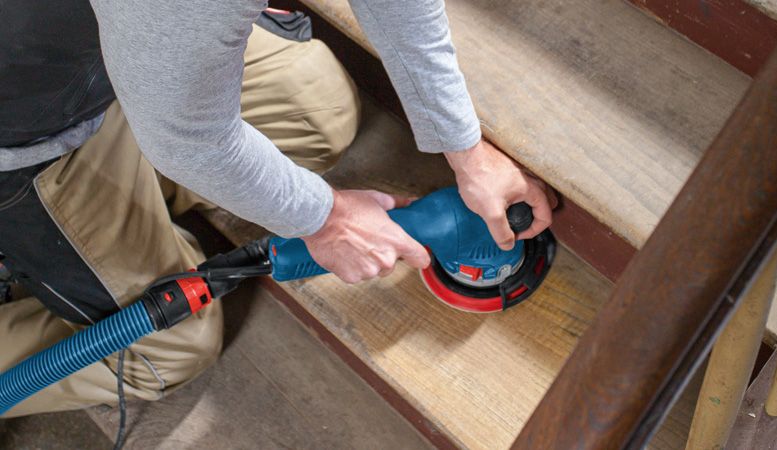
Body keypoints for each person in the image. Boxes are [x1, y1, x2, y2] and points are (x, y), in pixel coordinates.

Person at [0, 0, 553, 417]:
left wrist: (465, 147)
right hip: (30, 138)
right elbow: (187, 141)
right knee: (170, 349)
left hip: (113, 53)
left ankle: (126, 209)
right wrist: (328, 220)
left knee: (317, 110)